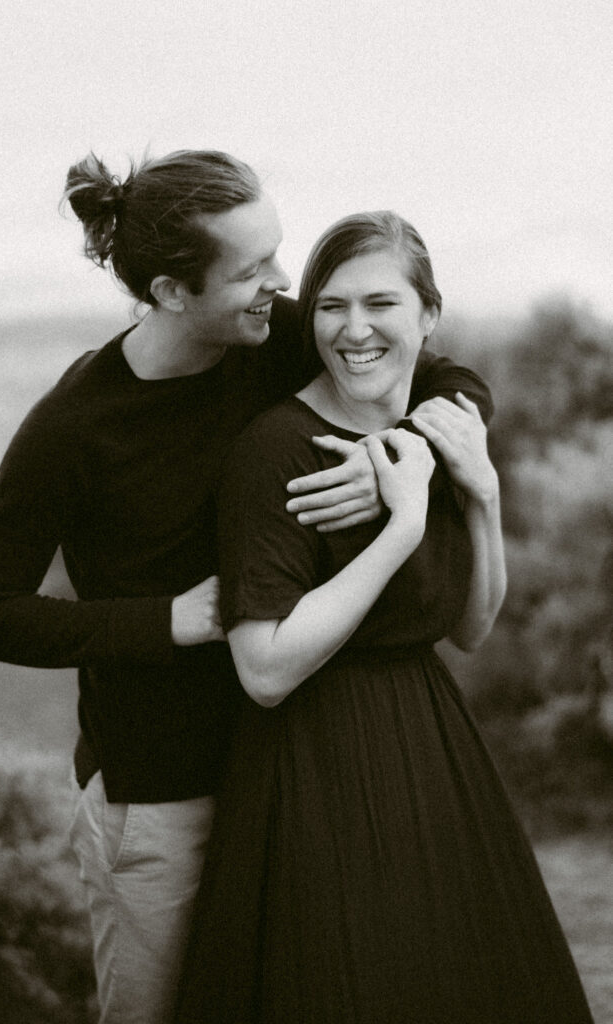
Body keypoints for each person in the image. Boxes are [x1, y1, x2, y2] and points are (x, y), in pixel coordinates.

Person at [0, 152, 493, 1024]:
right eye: (253, 271)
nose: (284, 287)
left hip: (288, 770)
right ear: (171, 292)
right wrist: (166, 621)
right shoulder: (76, 428)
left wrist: (417, 453)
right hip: (164, 797)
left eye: (276, 255)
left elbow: (441, 372)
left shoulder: (266, 336)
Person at [173, 211, 594, 1023]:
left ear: (429, 315)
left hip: (436, 751)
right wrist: (401, 526)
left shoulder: (432, 435)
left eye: (381, 304)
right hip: (314, 768)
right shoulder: (278, 450)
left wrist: (483, 494)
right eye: (331, 306)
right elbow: (261, 670)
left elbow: (470, 628)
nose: (353, 330)